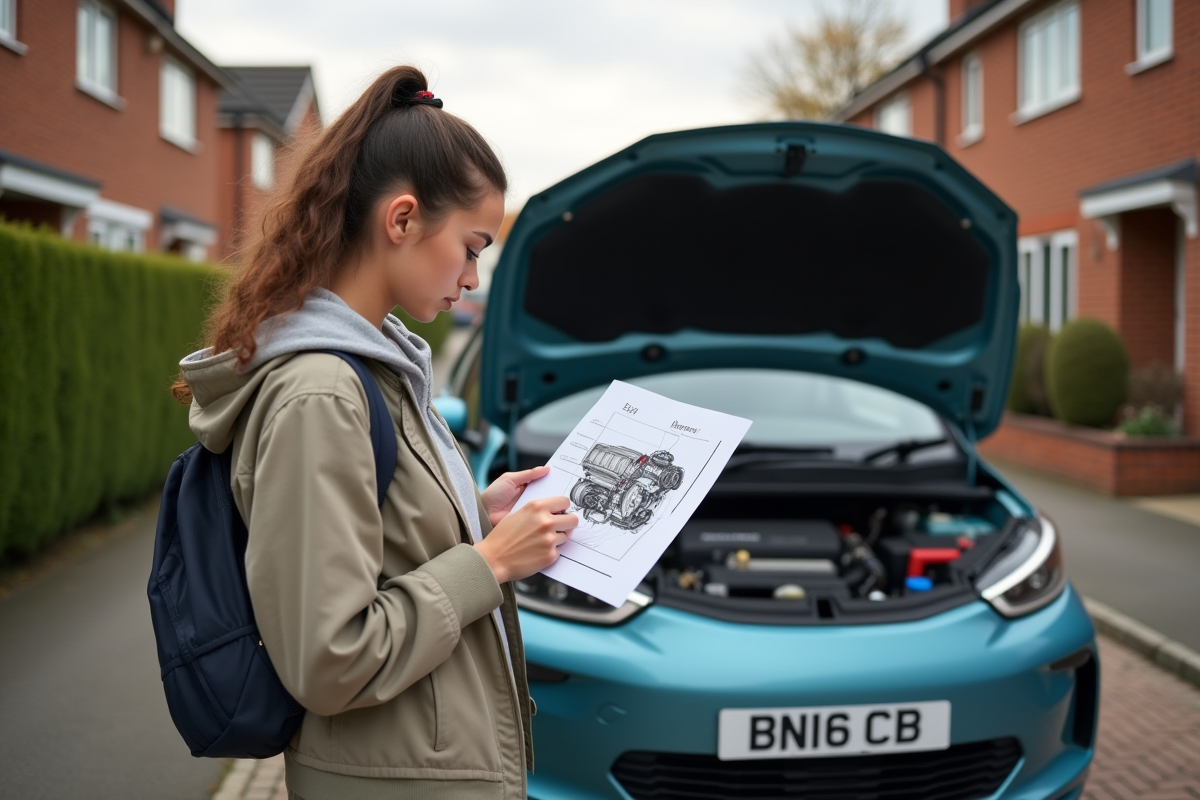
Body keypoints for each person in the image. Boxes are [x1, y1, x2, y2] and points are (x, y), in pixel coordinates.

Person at [172, 65, 576, 800]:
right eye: (473, 246)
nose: (473, 278)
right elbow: (330, 659)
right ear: (402, 220)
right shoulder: (322, 394)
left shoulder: (377, 370)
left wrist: (474, 516)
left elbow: (381, 542)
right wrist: (488, 564)